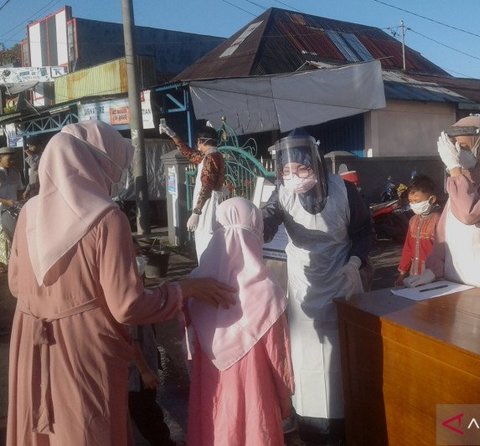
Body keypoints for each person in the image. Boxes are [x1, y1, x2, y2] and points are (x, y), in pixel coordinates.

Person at [6, 121, 236, 446]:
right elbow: (128, 305)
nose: (116, 177)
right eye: (115, 165)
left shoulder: (29, 212)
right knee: (86, 430)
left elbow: (16, 284)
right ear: (97, 163)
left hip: (30, 341)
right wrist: (184, 289)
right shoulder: (106, 218)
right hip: (81, 349)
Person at [262, 129, 374, 444]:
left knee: (341, 353)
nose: (294, 177)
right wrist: (248, 226)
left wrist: (356, 262)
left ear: (315, 163)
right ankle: (309, 419)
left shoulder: (345, 191)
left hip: (341, 279)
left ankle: (345, 417)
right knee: (305, 351)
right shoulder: (282, 193)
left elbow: (365, 231)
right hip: (304, 285)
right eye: (286, 171)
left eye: (301, 169)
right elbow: (266, 223)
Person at [186, 197, 294, 445]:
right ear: (256, 231)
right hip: (256, 391)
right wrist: (285, 398)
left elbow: (189, 345)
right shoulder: (267, 291)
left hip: (209, 389)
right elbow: (279, 356)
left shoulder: (198, 286)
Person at [405, 114, 480, 294]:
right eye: (455, 147)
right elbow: (444, 235)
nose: (458, 153)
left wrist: (456, 170)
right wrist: (431, 270)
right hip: (455, 279)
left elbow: (468, 214)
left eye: (464, 147)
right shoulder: (461, 181)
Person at [159, 122, 226, 261]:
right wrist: (173, 135)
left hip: (208, 206)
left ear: (202, 141)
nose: (197, 145)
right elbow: (189, 153)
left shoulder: (211, 158)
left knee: (206, 241)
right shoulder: (212, 156)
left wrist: (197, 212)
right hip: (209, 204)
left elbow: (207, 186)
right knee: (208, 241)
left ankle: (208, 276)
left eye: (198, 142)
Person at [394, 174, 441, 287]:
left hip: (433, 277)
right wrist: (402, 273)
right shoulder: (413, 221)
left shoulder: (439, 220)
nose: (413, 205)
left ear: (432, 199)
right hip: (413, 275)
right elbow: (408, 248)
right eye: (411, 201)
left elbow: (443, 252)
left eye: (417, 201)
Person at [0, 145, 24, 273]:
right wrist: (6, 202)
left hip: (14, 210)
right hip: (2, 210)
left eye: (13, 159)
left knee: (16, 237)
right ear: (0, 159)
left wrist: (19, 200)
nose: (12, 162)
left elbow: (20, 189)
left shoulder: (16, 172)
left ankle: (16, 263)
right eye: (9, 159)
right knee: (4, 241)